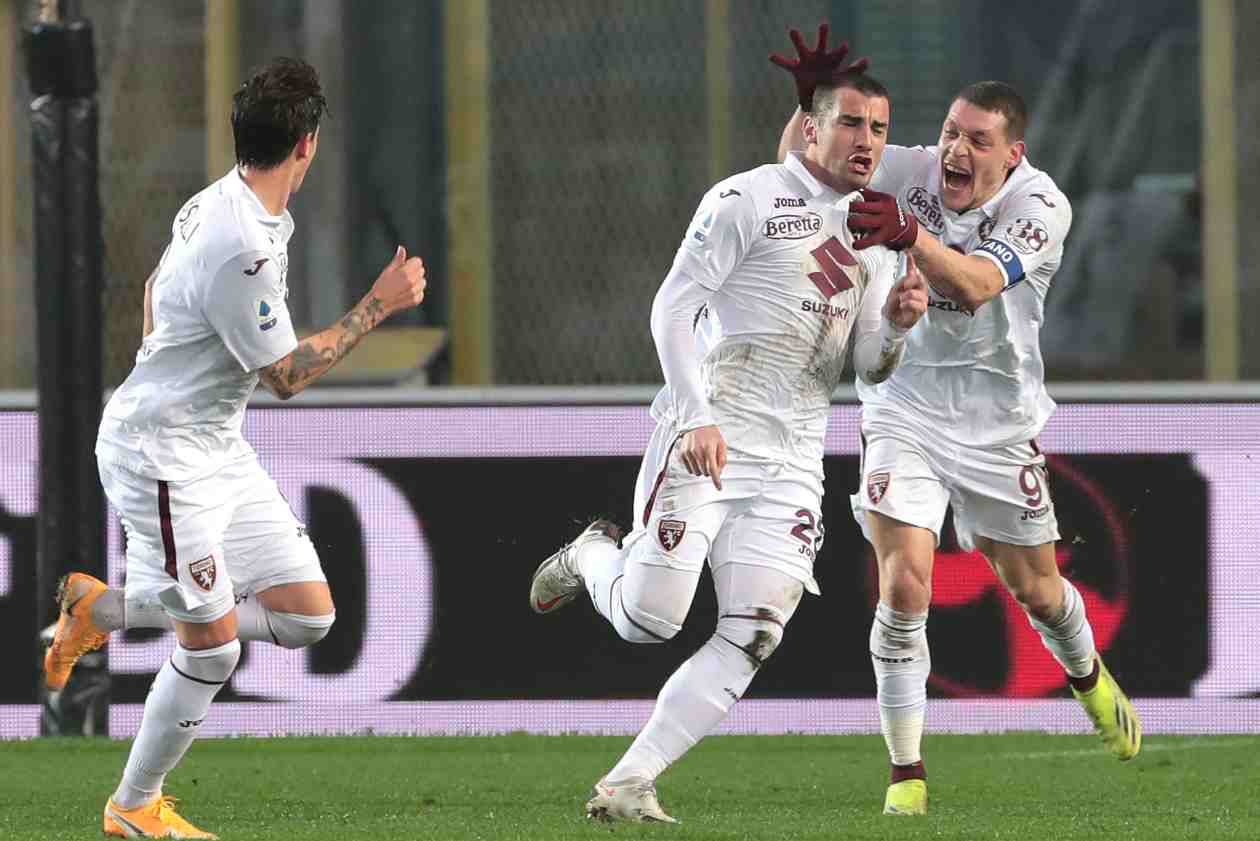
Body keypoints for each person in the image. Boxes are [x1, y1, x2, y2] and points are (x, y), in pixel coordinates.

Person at [529, 62, 929, 823]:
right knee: (649, 620)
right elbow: (671, 309)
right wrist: (694, 416)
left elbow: (869, 364)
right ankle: (590, 553)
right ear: (809, 126)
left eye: (879, 128)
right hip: (712, 434)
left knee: (755, 632)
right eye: (850, 122)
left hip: (795, 456)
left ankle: (629, 780)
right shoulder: (747, 198)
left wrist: (899, 328)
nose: (867, 141)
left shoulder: (877, 234)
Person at [42, 57, 426, 839]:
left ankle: (100, 608)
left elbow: (153, 291)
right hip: (162, 457)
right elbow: (286, 374)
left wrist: (173, 369)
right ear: (307, 144)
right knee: (213, 649)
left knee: (309, 616)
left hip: (214, 445)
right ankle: (133, 804)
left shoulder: (224, 201)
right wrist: (377, 305)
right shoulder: (241, 243)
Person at [772, 25, 1141, 817]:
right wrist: (812, 104)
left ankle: (1087, 675)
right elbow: (799, 174)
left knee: (1038, 590)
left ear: (1013, 153)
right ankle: (906, 773)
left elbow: (974, 285)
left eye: (977, 140)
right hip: (901, 404)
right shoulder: (910, 169)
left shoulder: (1041, 204)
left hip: (996, 422)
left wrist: (911, 235)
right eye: (949, 133)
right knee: (905, 582)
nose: (954, 151)